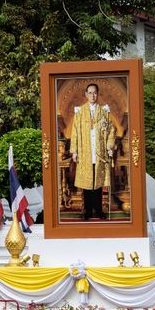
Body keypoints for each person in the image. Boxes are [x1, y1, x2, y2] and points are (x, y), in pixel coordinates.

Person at [67, 82, 119, 220]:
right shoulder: (80, 112)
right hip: (85, 152)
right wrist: (75, 151)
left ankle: (99, 210)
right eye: (90, 92)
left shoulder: (104, 111)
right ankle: (88, 210)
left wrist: (109, 147)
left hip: (100, 152)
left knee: (98, 183)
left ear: (98, 94)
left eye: (95, 92)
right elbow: (75, 132)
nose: (92, 95)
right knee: (87, 183)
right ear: (86, 95)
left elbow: (111, 130)